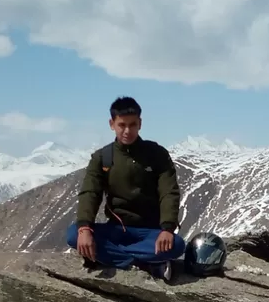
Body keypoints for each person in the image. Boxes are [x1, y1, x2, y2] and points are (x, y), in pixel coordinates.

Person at [67, 96, 185, 280]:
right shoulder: (103, 158)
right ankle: (144, 263)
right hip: (117, 229)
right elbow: (90, 192)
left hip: (150, 232)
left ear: (140, 123)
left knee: (177, 245)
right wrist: (84, 228)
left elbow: (169, 192)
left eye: (133, 125)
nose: (127, 131)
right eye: (122, 125)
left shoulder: (156, 154)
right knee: (74, 235)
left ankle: (109, 257)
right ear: (112, 124)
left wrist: (168, 229)